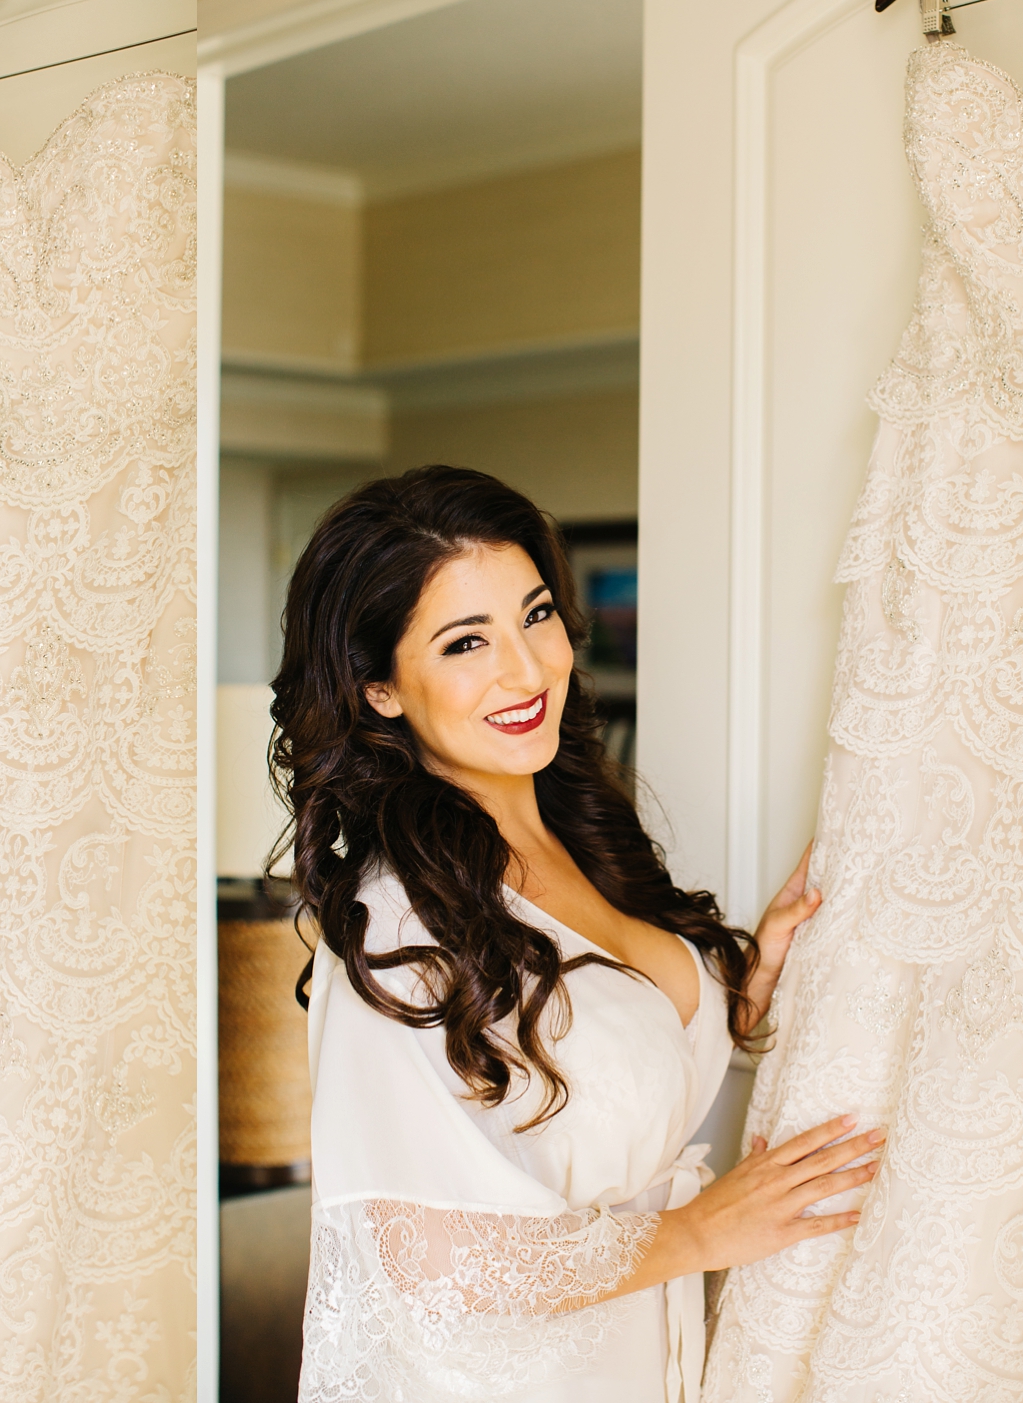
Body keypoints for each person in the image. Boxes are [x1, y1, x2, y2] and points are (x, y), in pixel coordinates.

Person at [277, 468, 882, 1403]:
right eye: (465, 641)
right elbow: (421, 1254)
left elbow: (609, 1062)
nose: (526, 668)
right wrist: (699, 1232)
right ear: (381, 690)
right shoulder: (394, 920)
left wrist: (754, 971)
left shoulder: (583, 841)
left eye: (536, 614)